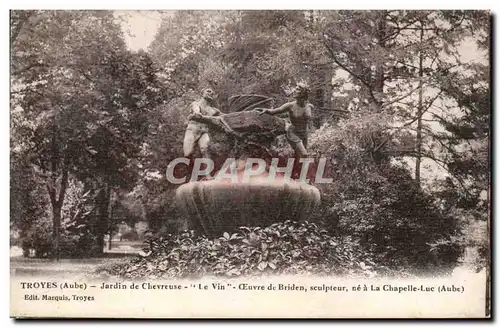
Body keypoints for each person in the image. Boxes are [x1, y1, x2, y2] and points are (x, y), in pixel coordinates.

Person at [258, 84, 314, 157]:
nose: (294, 91)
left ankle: (295, 167)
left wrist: (308, 110)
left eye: (297, 89)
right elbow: (274, 111)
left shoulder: (309, 106)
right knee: (304, 154)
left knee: (299, 156)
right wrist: (266, 110)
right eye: (295, 88)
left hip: (304, 133)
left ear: (303, 93)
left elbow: (309, 120)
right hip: (293, 132)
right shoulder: (290, 105)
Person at [183, 88, 222, 159]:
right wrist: (196, 113)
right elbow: (196, 111)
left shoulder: (214, 110)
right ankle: (193, 166)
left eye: (212, 93)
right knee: (187, 153)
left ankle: (207, 169)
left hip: (204, 131)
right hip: (193, 130)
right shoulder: (195, 104)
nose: (211, 93)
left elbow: (224, 116)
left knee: (205, 149)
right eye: (208, 91)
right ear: (202, 93)